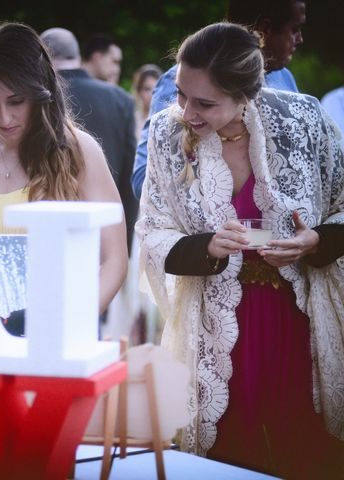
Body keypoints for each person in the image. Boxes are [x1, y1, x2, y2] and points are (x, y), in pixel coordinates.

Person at [136, 22, 344, 479]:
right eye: (181, 95)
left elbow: (342, 207)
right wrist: (205, 246)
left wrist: (316, 242)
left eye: (204, 103)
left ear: (246, 92)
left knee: (304, 446)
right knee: (228, 451)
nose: (187, 112)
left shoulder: (304, 121)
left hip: (299, 322)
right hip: (215, 325)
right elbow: (151, 228)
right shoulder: (167, 135)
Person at [0, 22, 127, 336]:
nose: (4, 118)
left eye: (16, 101)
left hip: (61, 335)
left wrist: (71, 322)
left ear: (41, 92)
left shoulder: (79, 151)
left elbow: (114, 260)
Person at [131, 0, 306, 198]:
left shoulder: (286, 82)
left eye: (205, 103)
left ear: (247, 95)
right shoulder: (182, 80)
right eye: (295, 29)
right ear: (265, 29)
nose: (300, 39)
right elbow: (143, 182)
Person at [41, 27, 136, 254]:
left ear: (42, 55)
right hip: (105, 228)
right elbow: (128, 173)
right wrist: (124, 244)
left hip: (48, 226)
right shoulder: (120, 99)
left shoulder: (39, 96)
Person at [131, 64, 162, 140]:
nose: (152, 94)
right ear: (139, 91)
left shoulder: (168, 121)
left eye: (156, 89)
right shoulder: (132, 120)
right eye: (147, 89)